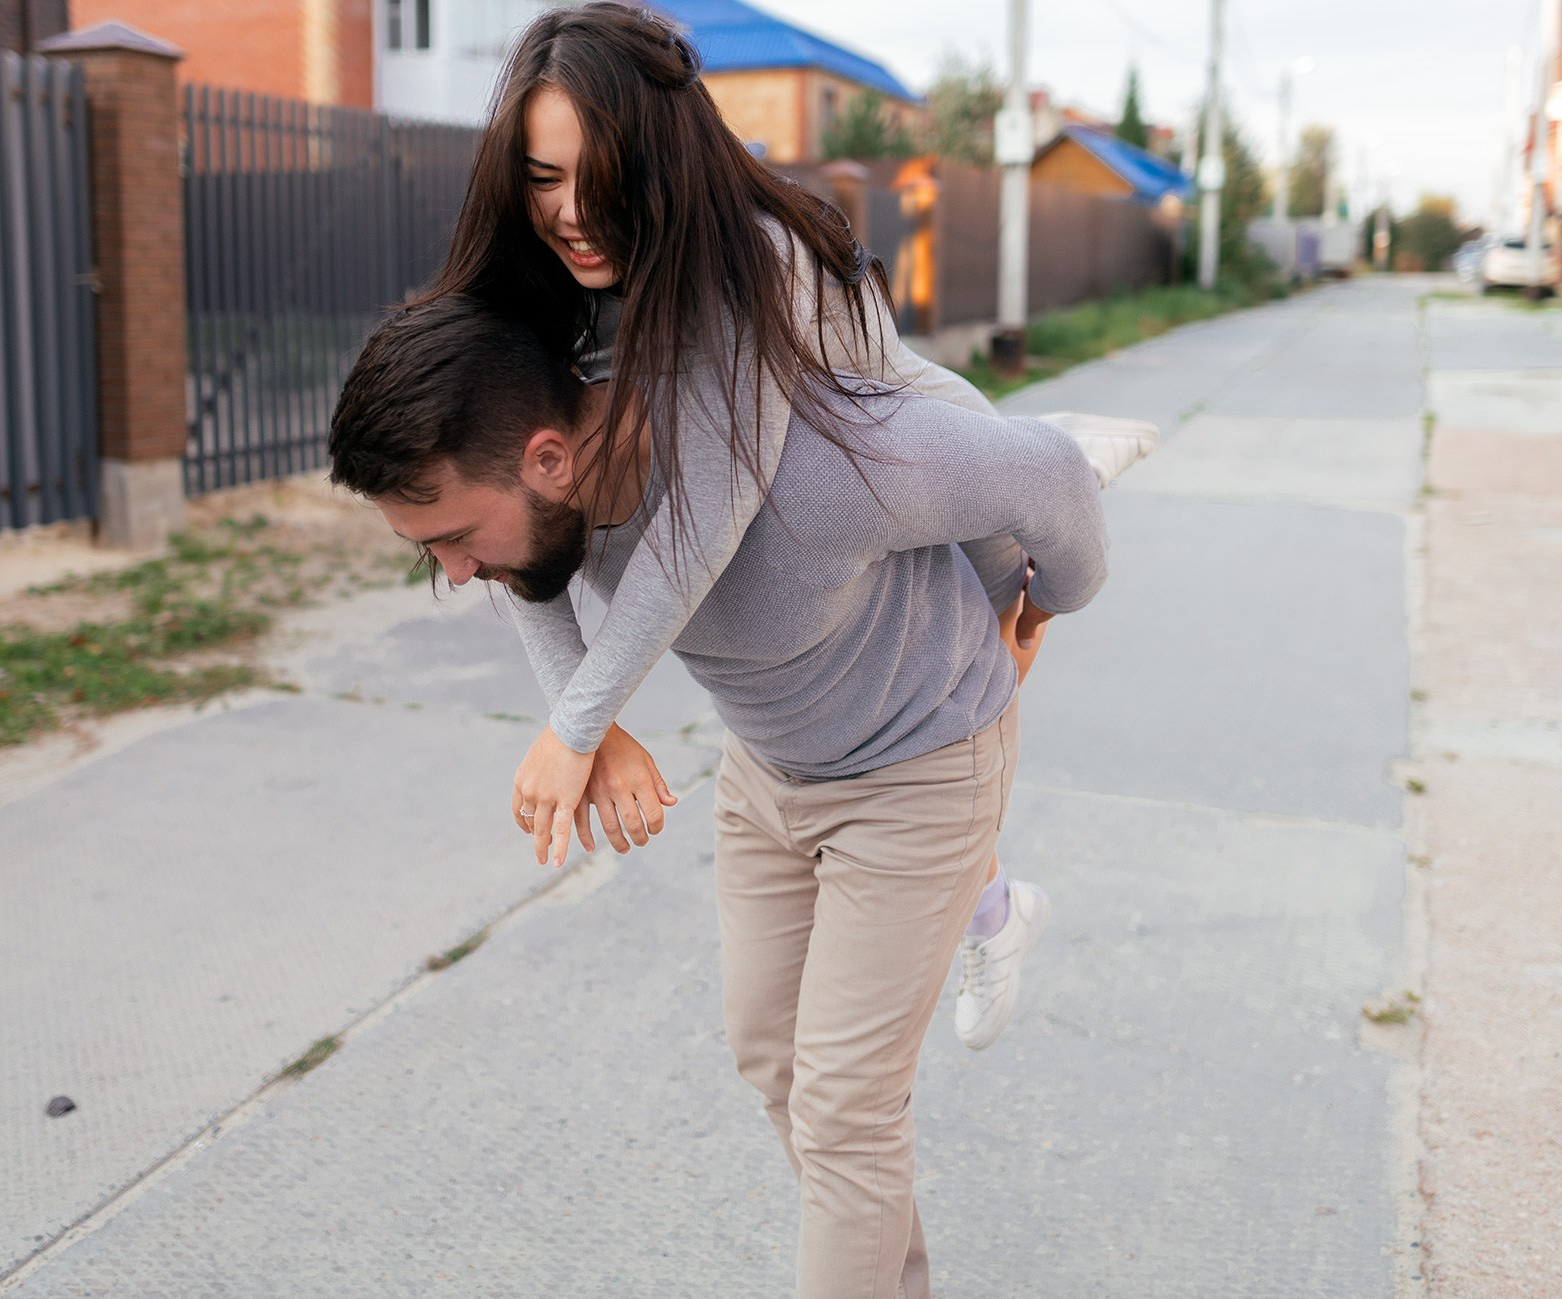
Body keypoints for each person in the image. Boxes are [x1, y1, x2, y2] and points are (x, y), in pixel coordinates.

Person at [326, 293, 1125, 1299]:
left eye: (450, 535)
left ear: (547, 458)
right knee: (776, 1065)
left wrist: (1043, 602)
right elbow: (524, 581)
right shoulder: (544, 513)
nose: (453, 571)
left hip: (921, 768)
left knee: (844, 1109)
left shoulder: (817, 470)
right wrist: (590, 717)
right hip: (768, 771)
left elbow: (1046, 473)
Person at [417, 1, 1155, 1048]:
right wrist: (585, 715)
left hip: (905, 437)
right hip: (850, 488)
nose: (571, 211)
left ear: (662, 162)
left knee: (986, 614)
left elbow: (710, 511)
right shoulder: (544, 287)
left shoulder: (754, 260)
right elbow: (527, 542)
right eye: (542, 179)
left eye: (600, 176)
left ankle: (1066, 444)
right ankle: (995, 910)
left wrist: (576, 725)